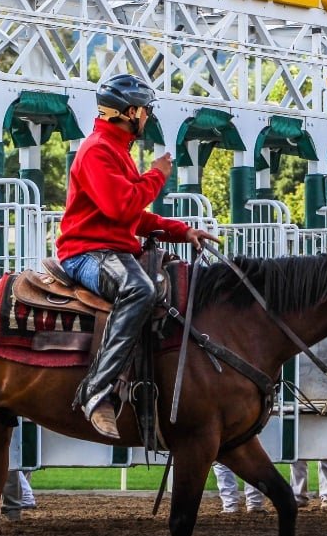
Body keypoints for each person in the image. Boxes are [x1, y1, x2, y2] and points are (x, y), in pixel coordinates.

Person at [57, 74, 218, 439]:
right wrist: (156, 176)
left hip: (112, 250)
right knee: (139, 290)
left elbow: (133, 217)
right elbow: (121, 206)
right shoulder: (97, 150)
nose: (148, 116)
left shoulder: (116, 150)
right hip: (86, 253)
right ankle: (97, 390)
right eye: (146, 109)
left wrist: (182, 231)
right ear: (130, 112)